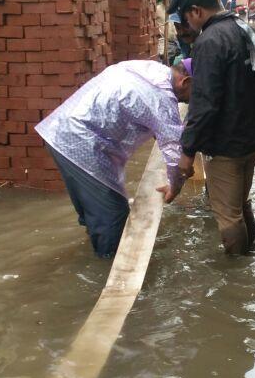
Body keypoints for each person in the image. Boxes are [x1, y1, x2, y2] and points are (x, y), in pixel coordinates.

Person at [169, 0, 255, 255]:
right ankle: (250, 254)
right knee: (241, 203)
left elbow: (203, 103)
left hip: (228, 145)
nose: (187, 26)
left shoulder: (209, 41)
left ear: (196, 11)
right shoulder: (249, 30)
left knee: (227, 213)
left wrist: (187, 151)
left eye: (186, 19)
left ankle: (237, 273)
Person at [35, 59, 193, 258]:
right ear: (185, 82)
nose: (189, 101)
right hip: (83, 145)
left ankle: (93, 247)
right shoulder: (161, 97)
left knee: (95, 212)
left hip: (59, 131)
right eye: (195, 93)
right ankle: (106, 271)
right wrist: (175, 185)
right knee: (114, 217)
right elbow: (173, 151)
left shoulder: (152, 69)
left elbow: (141, 111)